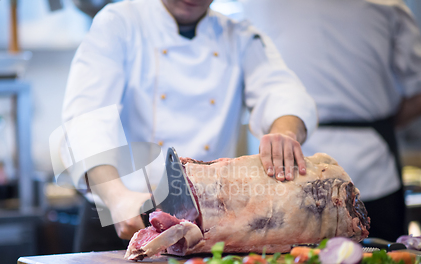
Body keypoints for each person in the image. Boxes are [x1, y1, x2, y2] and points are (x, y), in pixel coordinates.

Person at [62, 0, 318, 251]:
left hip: (207, 226)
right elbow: (87, 116)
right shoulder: (118, 22)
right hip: (124, 214)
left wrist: (284, 132)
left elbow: (282, 92)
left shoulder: (239, 34)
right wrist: (116, 197)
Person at [243, 0, 421, 241]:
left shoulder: (256, 5)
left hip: (293, 173)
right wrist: (383, 124)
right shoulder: (389, 5)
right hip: (366, 158)